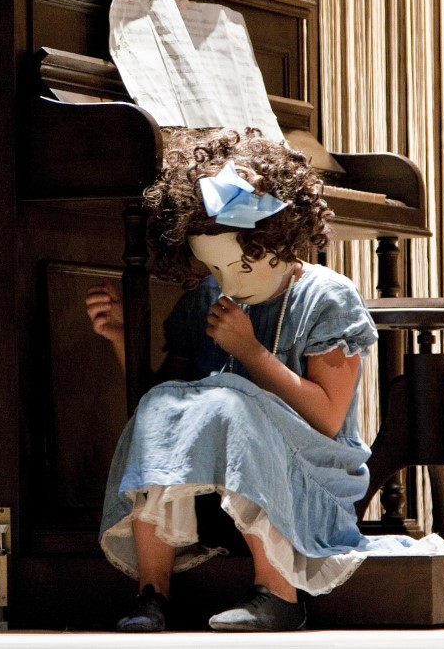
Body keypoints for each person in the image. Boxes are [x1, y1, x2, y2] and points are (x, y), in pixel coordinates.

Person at [85, 127, 380, 632]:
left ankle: (278, 590)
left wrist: (251, 352)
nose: (227, 282)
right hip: (211, 490)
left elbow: (328, 420)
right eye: (214, 267)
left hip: (309, 476)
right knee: (170, 403)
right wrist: (119, 339)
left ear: (279, 239)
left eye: (241, 263)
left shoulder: (327, 297)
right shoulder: (207, 299)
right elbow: (163, 408)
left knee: (231, 401)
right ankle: (152, 591)